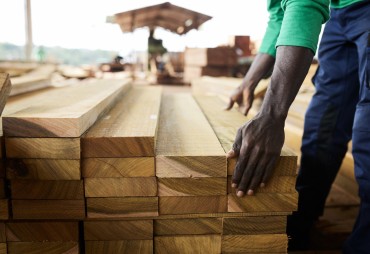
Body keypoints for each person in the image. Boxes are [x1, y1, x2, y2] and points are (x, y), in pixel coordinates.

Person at [226, 0, 370, 253]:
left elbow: (305, 3)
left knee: (366, 133)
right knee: (322, 123)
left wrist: (271, 115)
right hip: (340, 12)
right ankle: (301, 222)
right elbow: (282, 16)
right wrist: (248, 81)